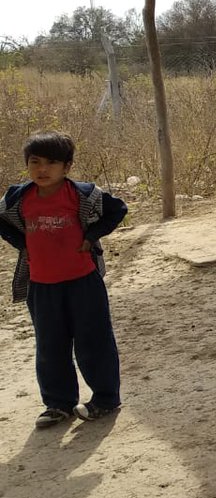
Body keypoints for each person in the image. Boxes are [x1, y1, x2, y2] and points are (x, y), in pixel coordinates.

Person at [0, 131, 126, 428]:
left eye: (52, 163)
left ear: (67, 167)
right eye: (35, 162)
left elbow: (118, 209)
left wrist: (91, 236)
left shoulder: (82, 194)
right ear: (27, 165)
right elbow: (2, 220)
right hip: (42, 286)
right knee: (50, 346)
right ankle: (58, 404)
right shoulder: (19, 197)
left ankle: (105, 399)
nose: (42, 170)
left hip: (83, 282)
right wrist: (23, 243)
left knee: (93, 342)